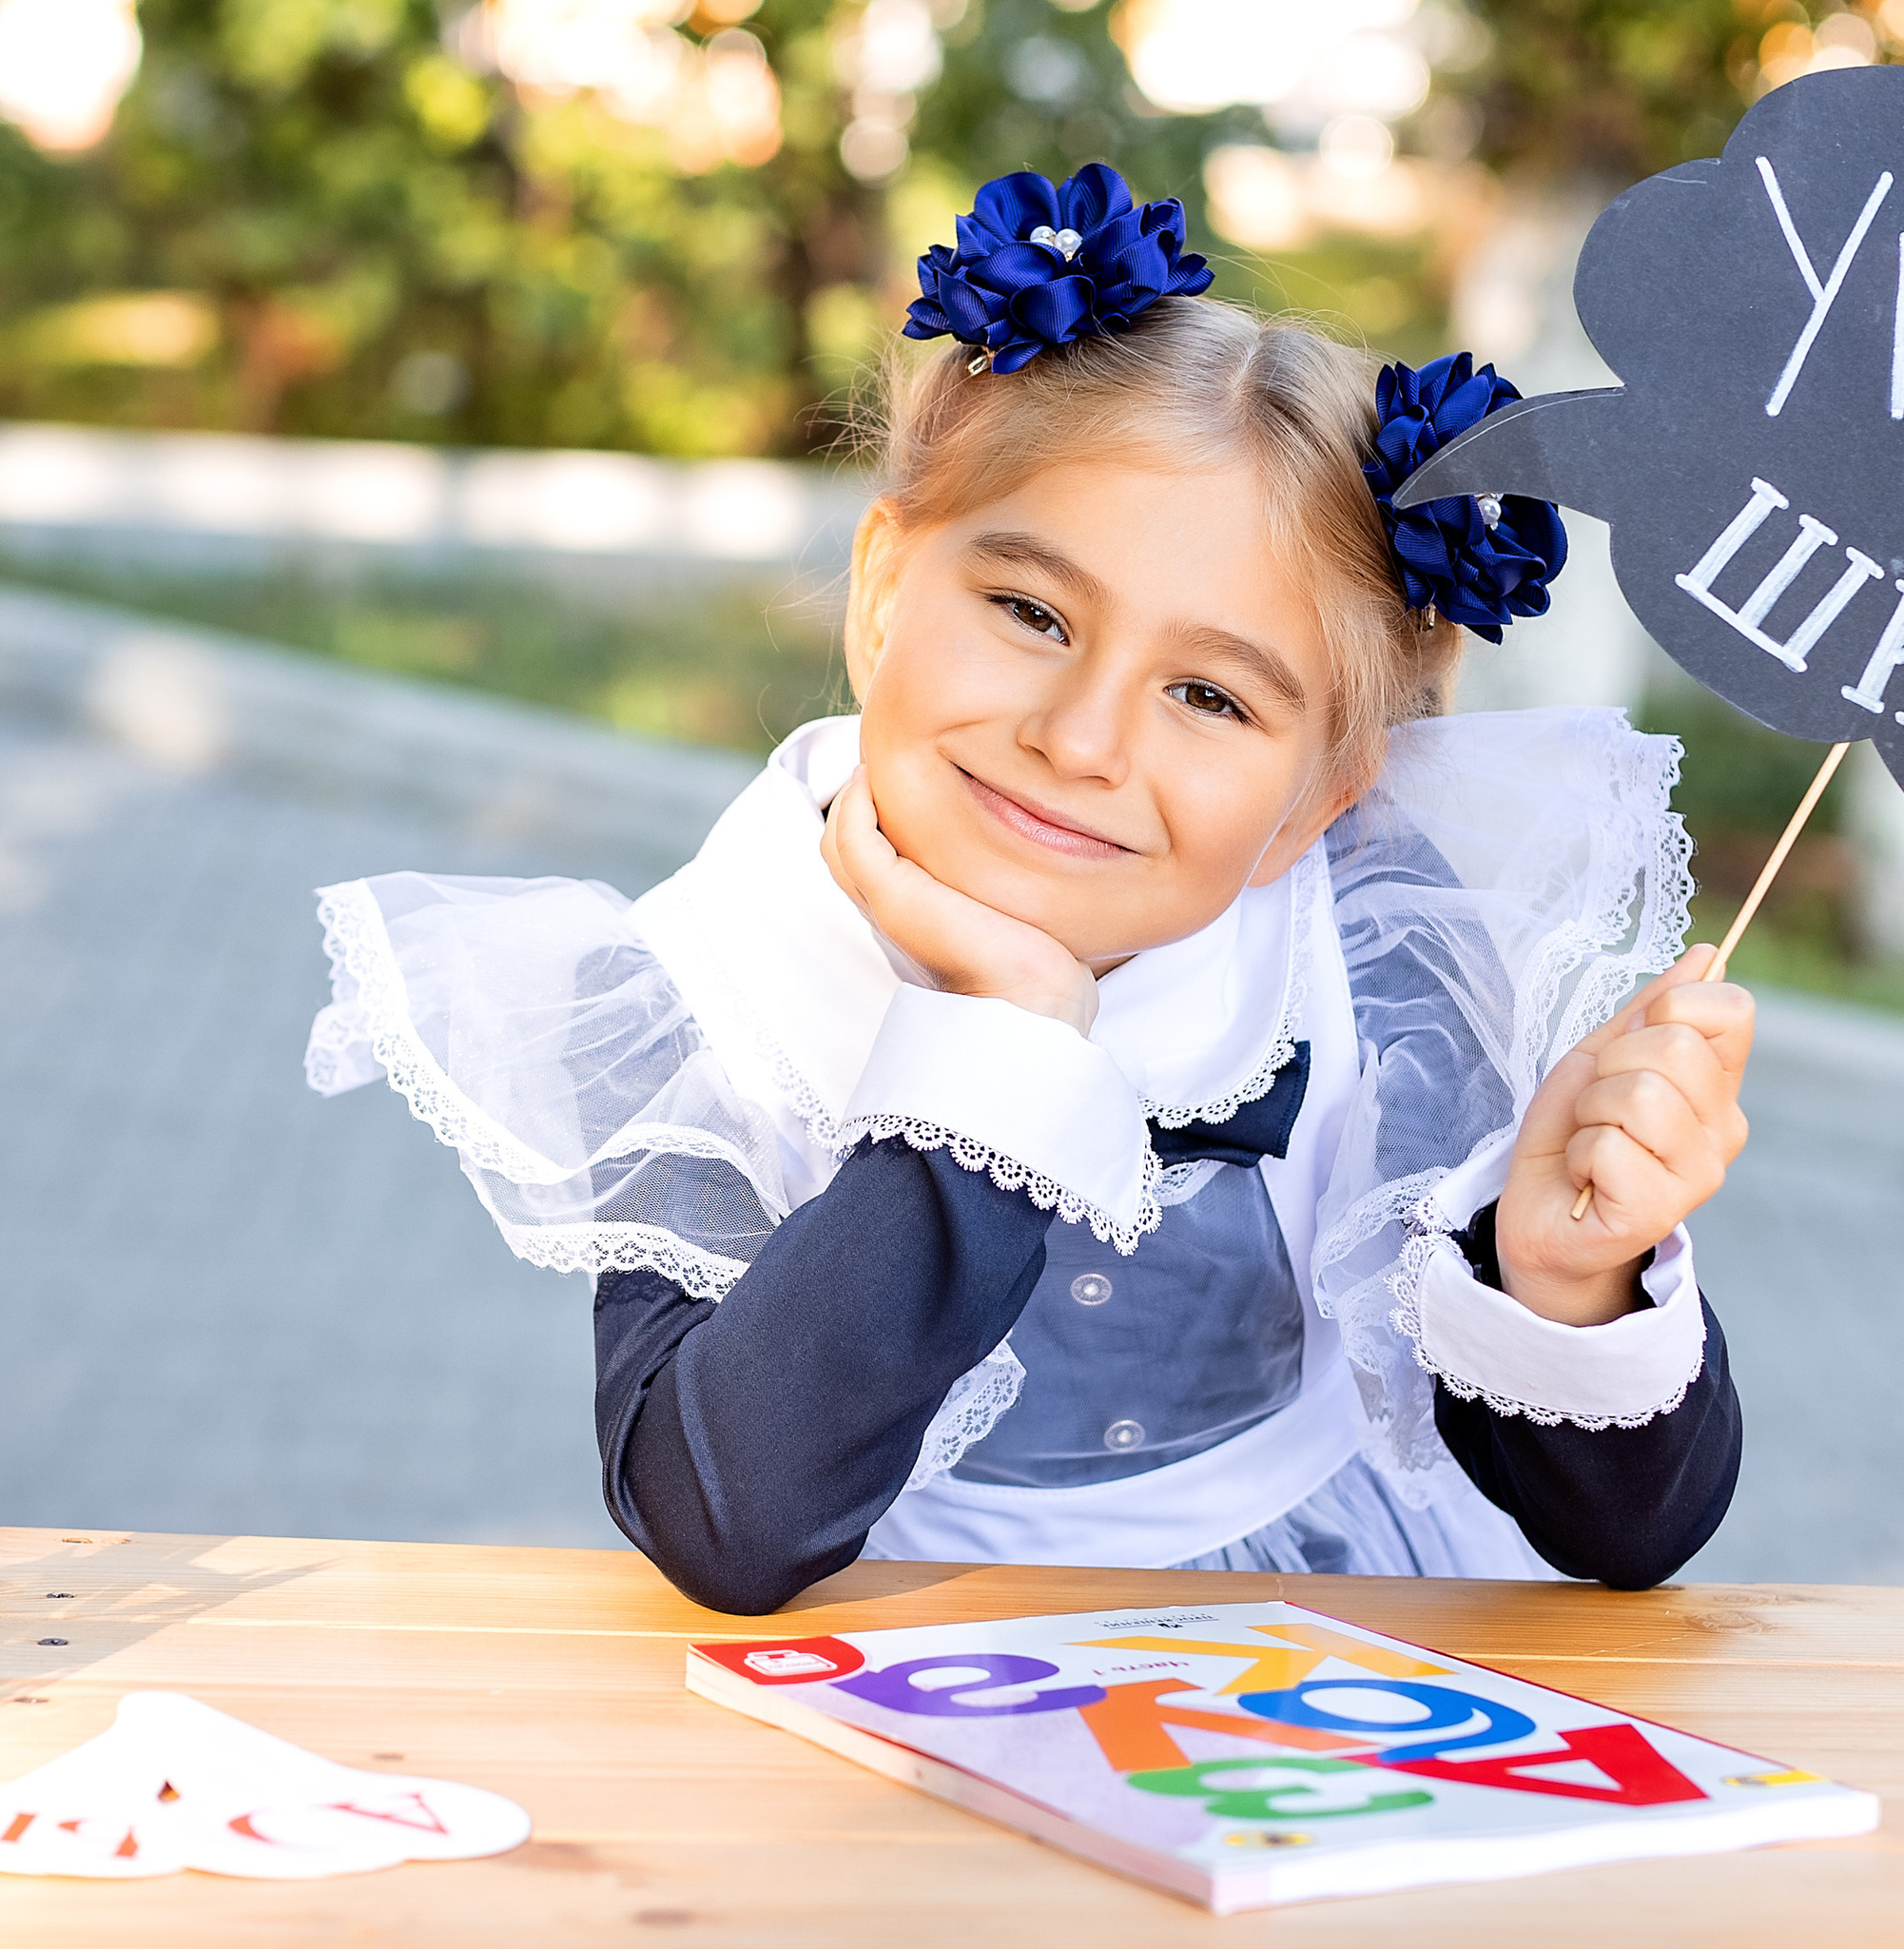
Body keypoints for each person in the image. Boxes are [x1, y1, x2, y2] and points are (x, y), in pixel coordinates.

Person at [306, 164, 1753, 1614]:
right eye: (1031, 613)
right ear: (883, 594)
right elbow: (725, 1519)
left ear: (1327, 791)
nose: (1079, 739)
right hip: (896, 1664)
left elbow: (1632, 1538)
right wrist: (1003, 1042)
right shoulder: (711, 985)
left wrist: (1563, 1277)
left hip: (1310, 1648)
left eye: (1207, 694)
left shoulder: (1367, 951)